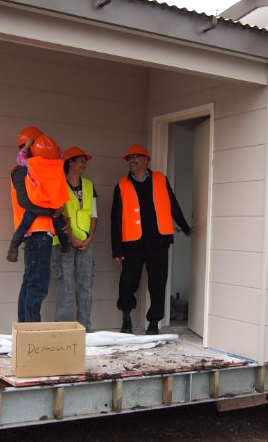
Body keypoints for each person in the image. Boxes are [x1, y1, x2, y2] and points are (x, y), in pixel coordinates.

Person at [111, 143, 193, 335]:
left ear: (147, 160)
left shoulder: (160, 180)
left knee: (157, 283)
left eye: (136, 157)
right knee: (128, 282)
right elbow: (115, 219)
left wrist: (186, 227)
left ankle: (154, 324)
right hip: (131, 243)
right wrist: (117, 250)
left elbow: (174, 205)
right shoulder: (121, 185)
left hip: (158, 242)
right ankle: (126, 320)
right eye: (129, 158)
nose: (132, 160)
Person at [10, 127, 65, 322]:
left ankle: (25, 329)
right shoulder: (23, 172)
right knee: (37, 285)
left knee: (30, 283)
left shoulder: (34, 172)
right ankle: (32, 332)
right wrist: (52, 211)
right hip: (37, 234)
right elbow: (27, 202)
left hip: (37, 233)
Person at [52, 146, 98, 332]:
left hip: (85, 243)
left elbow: (94, 215)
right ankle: (65, 330)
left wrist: (88, 239)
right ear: (70, 162)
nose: (84, 165)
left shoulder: (88, 185)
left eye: (85, 162)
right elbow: (57, 214)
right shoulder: (58, 184)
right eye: (81, 161)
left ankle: (85, 329)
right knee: (65, 286)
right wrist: (71, 237)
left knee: (85, 285)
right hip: (64, 242)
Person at [6, 134, 71, 262]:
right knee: (58, 222)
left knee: (24, 223)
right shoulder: (58, 164)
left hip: (37, 201)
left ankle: (14, 246)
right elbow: (61, 158)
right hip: (52, 204)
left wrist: (26, 147)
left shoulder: (32, 164)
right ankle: (65, 245)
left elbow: (20, 159)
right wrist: (57, 151)